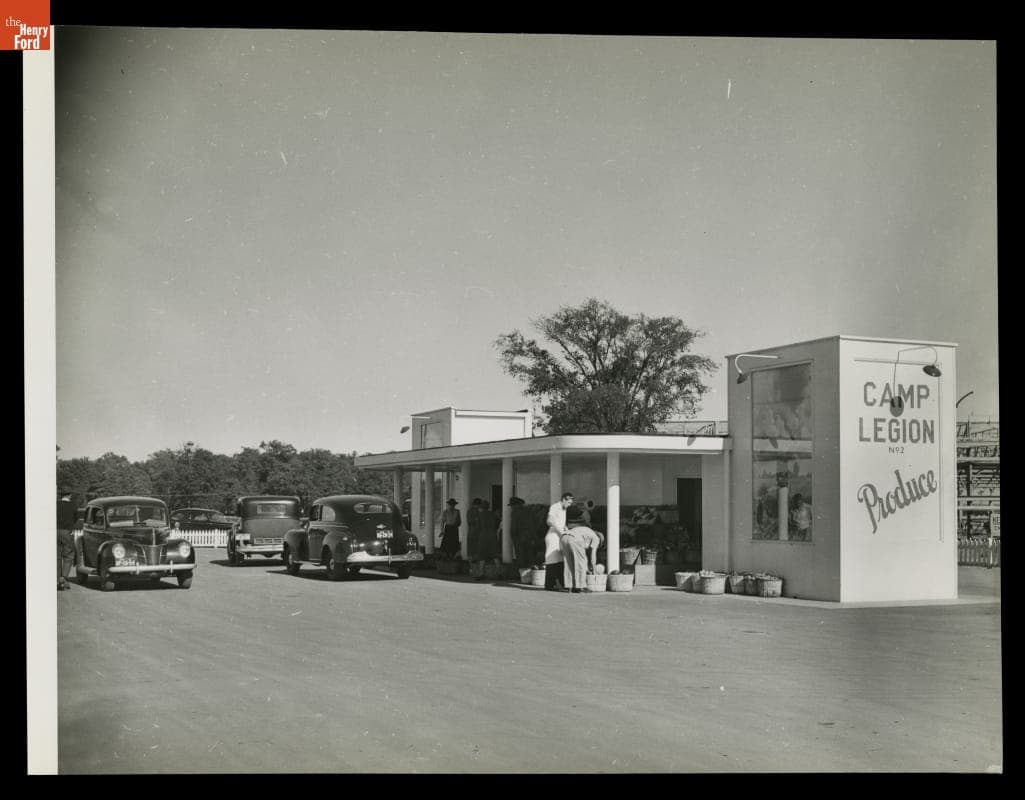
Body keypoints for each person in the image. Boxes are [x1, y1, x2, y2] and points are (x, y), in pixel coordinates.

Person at [563, 505, 601, 593]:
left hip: (564, 538)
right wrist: (594, 568)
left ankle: (569, 586)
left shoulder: (587, 531)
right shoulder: (596, 538)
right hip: (575, 540)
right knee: (581, 562)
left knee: (569, 563)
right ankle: (581, 587)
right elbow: (593, 556)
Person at [473, 500, 500, 580]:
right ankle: (500, 573)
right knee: (494, 554)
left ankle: (481, 573)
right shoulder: (493, 514)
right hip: (493, 535)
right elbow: (497, 524)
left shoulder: (480, 515)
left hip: (483, 536)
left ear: (481, 507)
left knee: (482, 555)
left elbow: (478, 528)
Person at [57, 496, 77, 591]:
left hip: (55, 532)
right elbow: (75, 518)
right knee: (68, 556)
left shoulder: (55, 504)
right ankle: (64, 578)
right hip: (66, 532)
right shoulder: (72, 505)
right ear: (69, 495)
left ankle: (57, 579)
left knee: (57, 557)